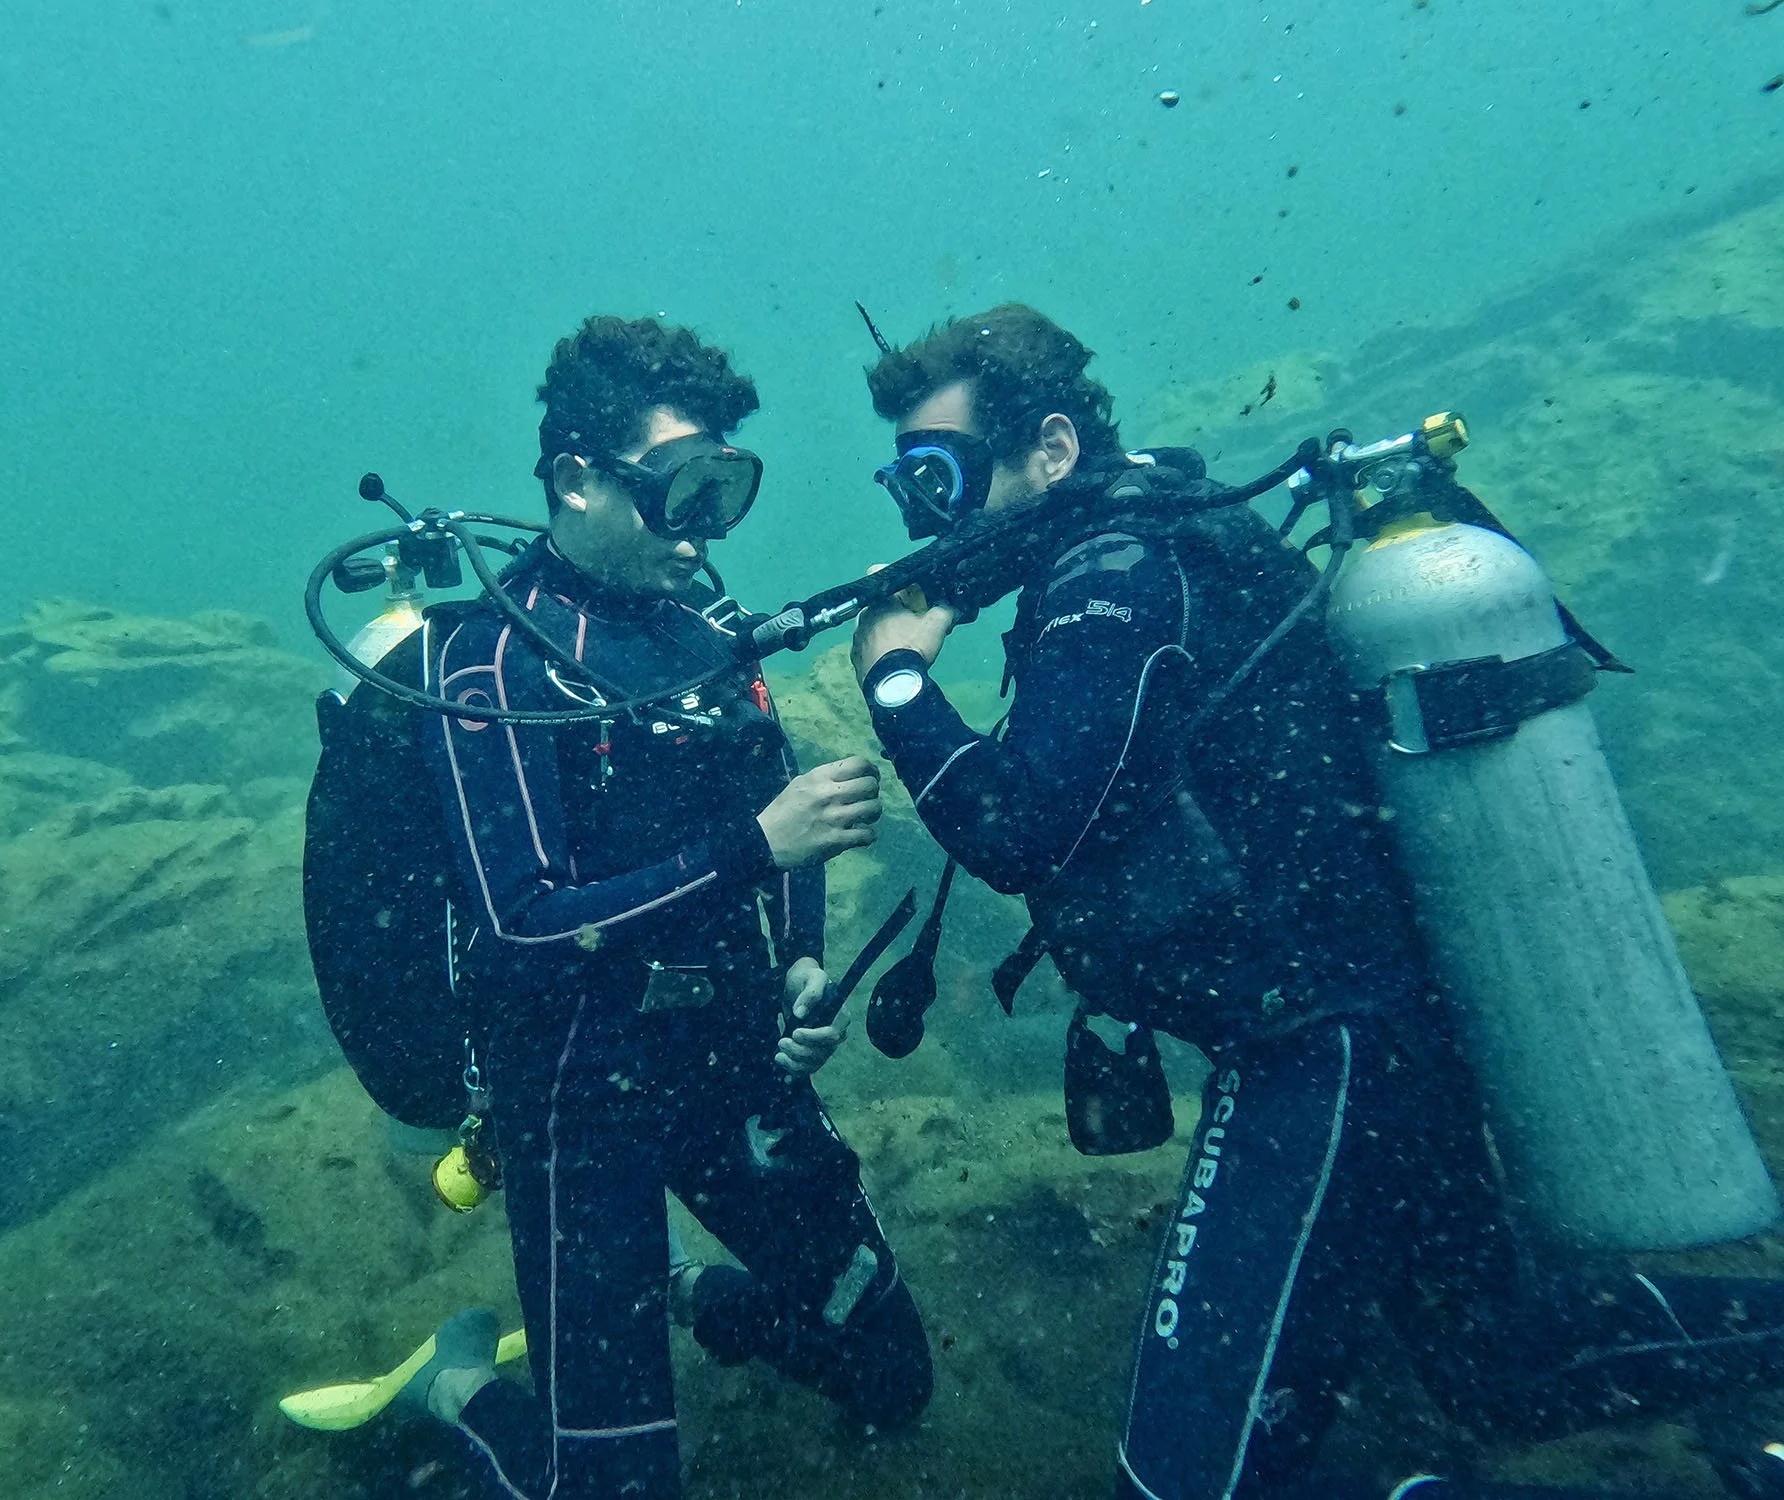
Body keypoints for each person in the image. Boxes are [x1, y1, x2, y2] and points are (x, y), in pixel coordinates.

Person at [846, 303, 1784, 1500]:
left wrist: (896, 674)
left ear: (1050, 453)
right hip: (1394, 1022)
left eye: (940, 477)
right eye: (904, 487)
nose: (924, 519)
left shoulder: (1114, 576)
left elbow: (1021, 826)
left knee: (1184, 1477)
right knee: (1490, 1359)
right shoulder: (1176, 535)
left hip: (1317, 1049)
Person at [401, 315, 932, 1500]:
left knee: (888, 1374)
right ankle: (452, 1389)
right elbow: (523, 915)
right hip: (576, 1085)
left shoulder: (707, 639)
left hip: (728, 1054)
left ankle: (687, 1285)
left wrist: (799, 965)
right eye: (680, 493)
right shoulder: (495, 658)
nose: (705, 533)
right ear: (574, 482)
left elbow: (783, 811)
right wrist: (755, 847)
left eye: (724, 494)